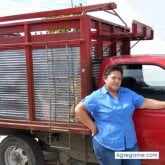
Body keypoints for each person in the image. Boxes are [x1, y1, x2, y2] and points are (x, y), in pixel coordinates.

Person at [75, 65, 165, 165]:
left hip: (129, 143)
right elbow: (79, 109)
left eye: (119, 78)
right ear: (105, 78)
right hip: (108, 145)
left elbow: (144, 102)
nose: (117, 81)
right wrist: (92, 127)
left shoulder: (127, 93)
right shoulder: (96, 96)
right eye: (113, 78)